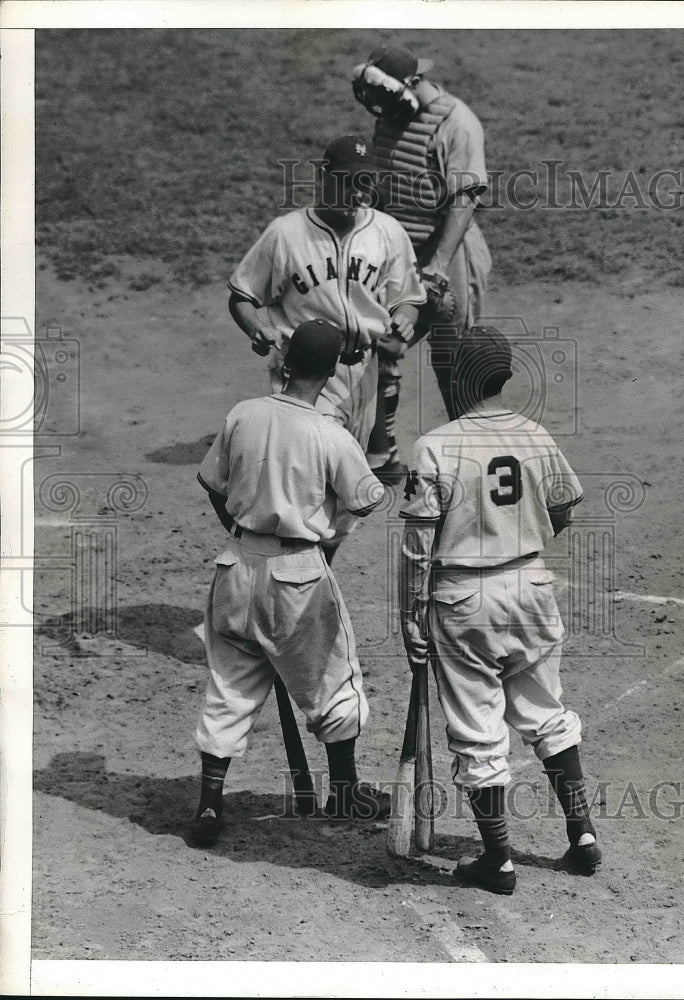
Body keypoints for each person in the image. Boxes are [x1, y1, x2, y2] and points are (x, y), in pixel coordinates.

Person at [398, 326, 601, 895]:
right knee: (547, 712)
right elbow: (563, 507)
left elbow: (417, 546)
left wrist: (411, 617)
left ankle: (498, 860)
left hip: (463, 601)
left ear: (456, 379)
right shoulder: (534, 433)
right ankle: (582, 834)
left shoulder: (433, 446)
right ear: (506, 376)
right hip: (532, 586)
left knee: (478, 730)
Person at [191, 320, 390, 847]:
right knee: (334, 683)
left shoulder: (243, 414)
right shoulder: (330, 433)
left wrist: (243, 530)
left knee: (229, 686)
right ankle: (345, 792)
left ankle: (210, 804)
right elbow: (368, 499)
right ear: (331, 373)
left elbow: (212, 483)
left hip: (234, 566)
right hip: (298, 576)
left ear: (285, 363)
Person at [227, 134, 426, 562]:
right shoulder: (286, 235)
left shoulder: (387, 232)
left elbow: (408, 295)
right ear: (323, 177)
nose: (356, 192)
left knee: (345, 491)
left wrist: (406, 315)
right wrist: (254, 327)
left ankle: (316, 573)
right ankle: (284, 571)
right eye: (347, 181)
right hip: (305, 375)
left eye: (365, 182)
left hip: (363, 373)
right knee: (310, 480)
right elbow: (242, 295)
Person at [352, 45, 493, 480]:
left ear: (413, 84)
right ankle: (382, 455)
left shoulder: (456, 122)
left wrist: (437, 266)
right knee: (384, 346)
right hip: (399, 254)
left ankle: (470, 456)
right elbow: (392, 182)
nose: (383, 110)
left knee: (452, 359)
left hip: (447, 253)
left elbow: (464, 198)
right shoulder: (392, 115)